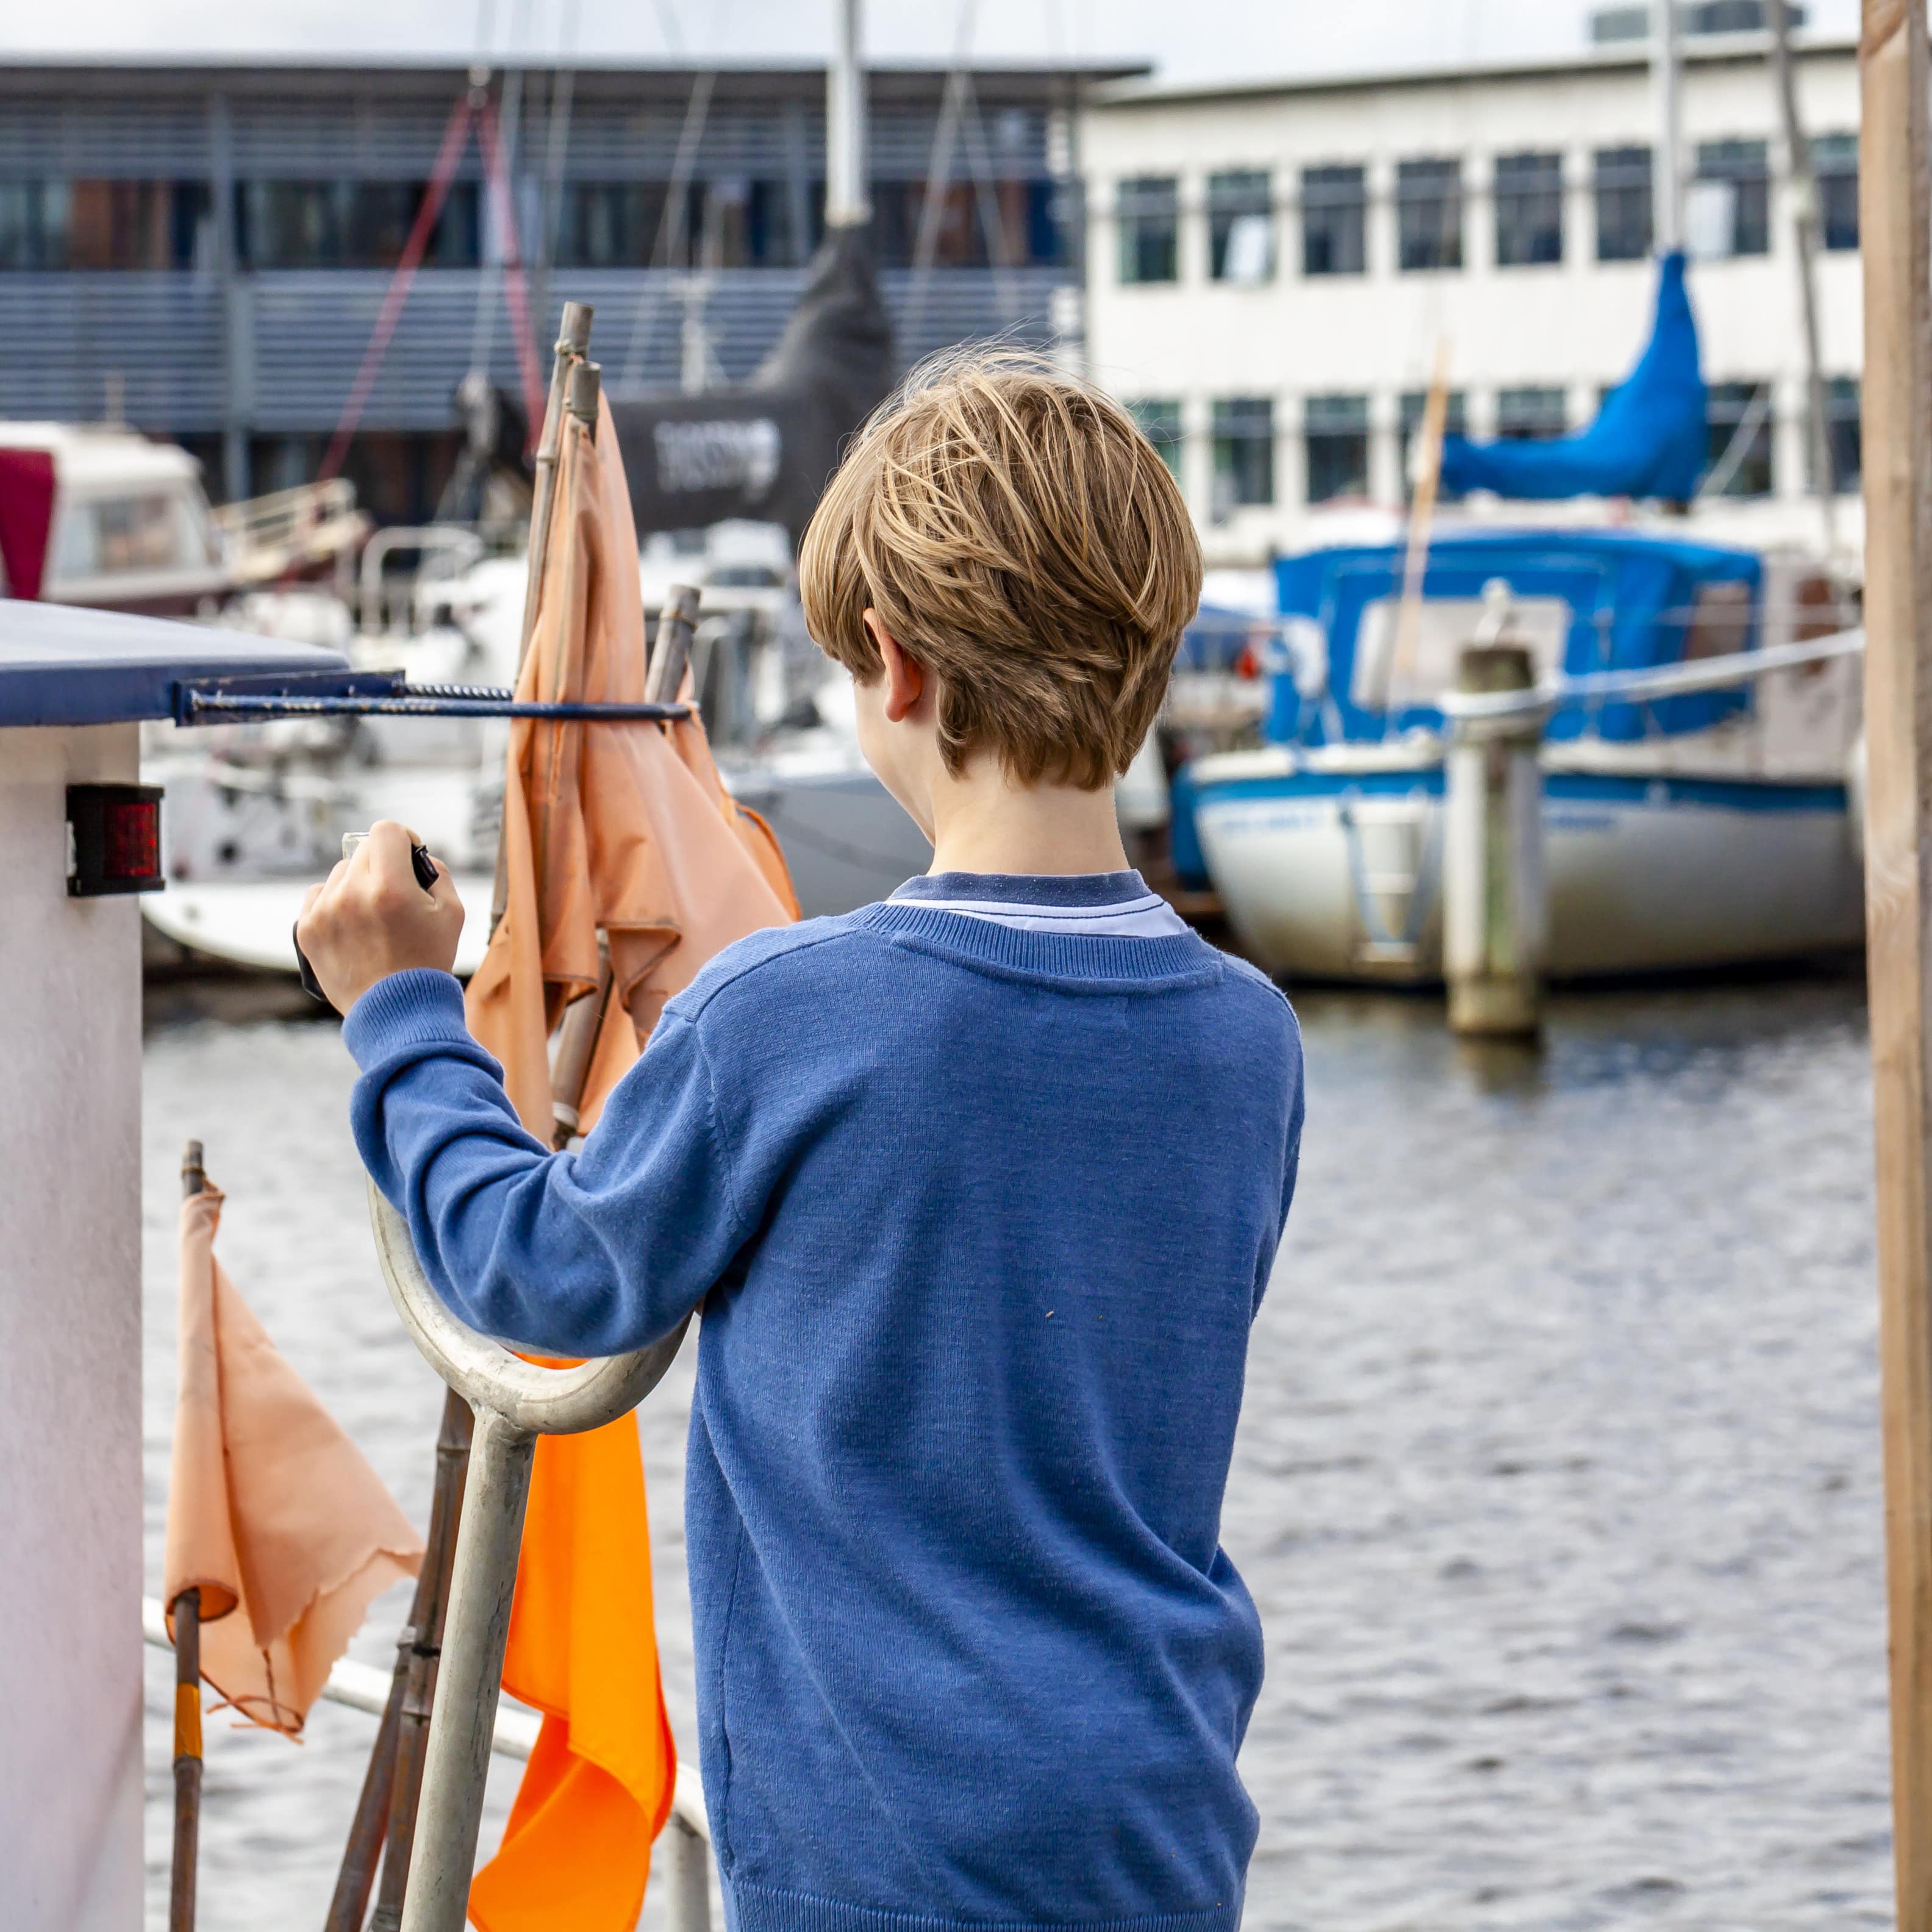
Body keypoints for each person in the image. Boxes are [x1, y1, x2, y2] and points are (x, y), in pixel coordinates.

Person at [298, 348, 1304, 1932]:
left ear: (893, 669)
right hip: (1156, 1830)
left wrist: (399, 1013)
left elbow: (538, 1275)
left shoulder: (789, 1015)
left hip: (880, 1866)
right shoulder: (1252, 1041)